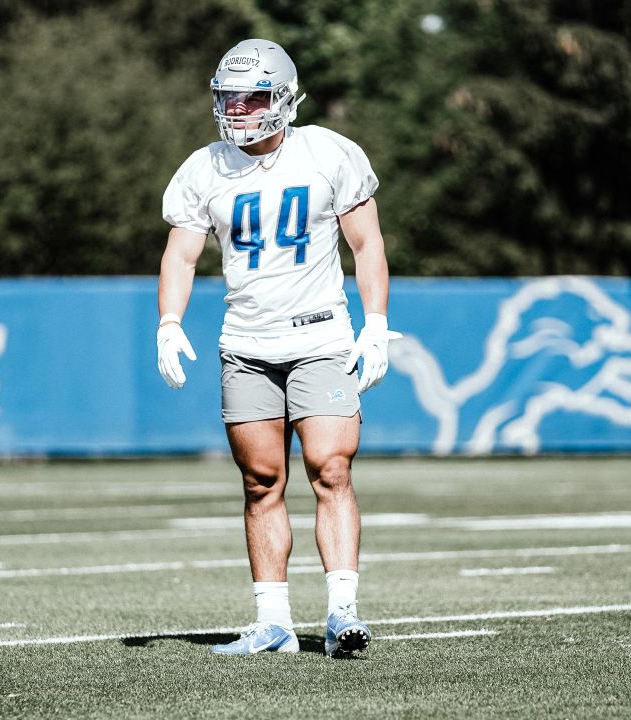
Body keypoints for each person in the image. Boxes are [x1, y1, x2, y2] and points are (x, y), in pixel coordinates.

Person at [156, 38, 402, 658]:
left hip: (320, 335)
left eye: (252, 97)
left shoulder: (327, 152)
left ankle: (342, 611)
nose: (237, 110)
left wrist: (374, 324)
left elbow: (366, 245)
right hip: (245, 343)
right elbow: (181, 254)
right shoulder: (203, 168)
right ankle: (273, 622)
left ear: (284, 99)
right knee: (261, 482)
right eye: (228, 98)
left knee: (332, 468)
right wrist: (168, 321)